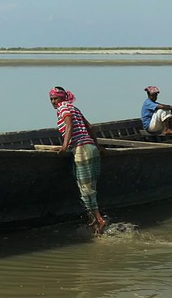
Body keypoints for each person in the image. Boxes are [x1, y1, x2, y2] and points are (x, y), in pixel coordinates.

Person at [49, 86, 106, 234]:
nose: (54, 102)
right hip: (91, 148)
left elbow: (69, 125)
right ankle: (94, 221)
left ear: (63, 98)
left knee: (85, 188)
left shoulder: (63, 108)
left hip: (81, 149)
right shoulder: (75, 108)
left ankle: (99, 220)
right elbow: (91, 127)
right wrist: (98, 146)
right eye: (51, 99)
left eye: (56, 98)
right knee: (90, 185)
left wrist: (64, 146)